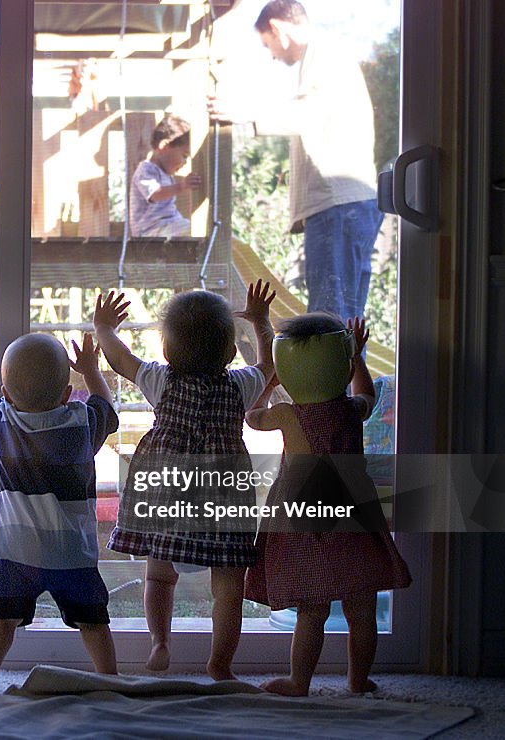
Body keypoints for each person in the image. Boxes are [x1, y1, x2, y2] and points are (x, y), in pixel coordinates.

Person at [94, 280, 276, 676]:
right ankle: (220, 663)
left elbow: (121, 360)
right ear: (230, 352)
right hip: (223, 497)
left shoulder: (162, 381)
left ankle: (160, 643)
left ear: (165, 351)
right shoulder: (239, 386)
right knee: (228, 586)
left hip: (165, 492)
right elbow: (269, 365)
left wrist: (104, 328)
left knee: (159, 575)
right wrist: (260, 321)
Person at [244, 313, 411, 696]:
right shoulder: (349, 410)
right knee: (362, 607)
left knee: (311, 611)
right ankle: (357, 679)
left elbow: (252, 417)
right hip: (352, 516)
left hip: (305, 523)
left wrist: (270, 383)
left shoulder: (288, 415)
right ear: (340, 361)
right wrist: (360, 359)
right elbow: (368, 395)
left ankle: (298, 681)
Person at [0, 330, 119, 694]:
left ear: (8, 395)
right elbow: (106, 405)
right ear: (66, 394)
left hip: (16, 553)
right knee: (94, 623)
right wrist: (91, 370)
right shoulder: (82, 423)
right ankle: (110, 680)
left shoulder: (2, 420)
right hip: (73, 554)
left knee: (1, 622)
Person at [208, 0, 383, 322]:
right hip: (349, 205)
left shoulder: (324, 55)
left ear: (277, 28)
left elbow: (308, 114)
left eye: (268, 44)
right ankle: (349, 372)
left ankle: (332, 374)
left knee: (330, 318)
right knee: (346, 317)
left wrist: (244, 112)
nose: (272, 54)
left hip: (338, 206)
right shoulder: (329, 55)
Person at [129, 113, 204, 237]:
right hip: (150, 231)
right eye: (184, 155)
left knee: (202, 230)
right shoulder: (146, 170)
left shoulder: (166, 174)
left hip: (169, 225)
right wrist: (181, 186)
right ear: (164, 146)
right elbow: (154, 194)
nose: (185, 162)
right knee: (198, 232)